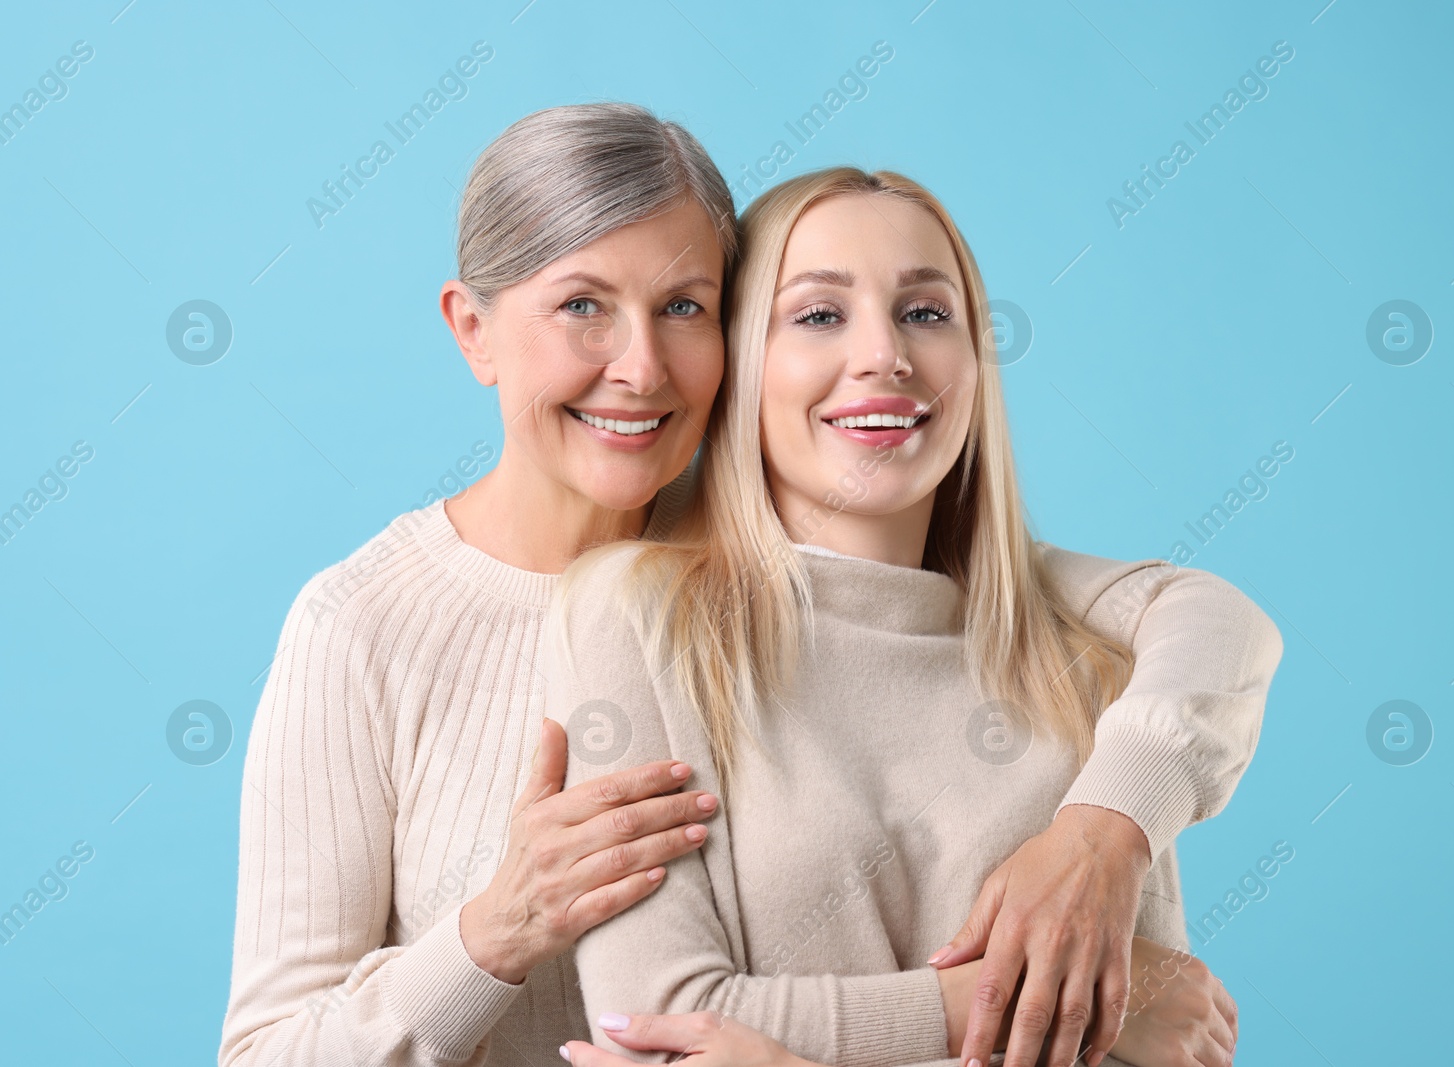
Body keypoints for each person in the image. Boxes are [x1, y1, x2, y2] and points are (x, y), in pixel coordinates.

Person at [220, 102, 1275, 1067]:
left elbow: (1199, 616)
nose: (640, 367)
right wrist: (491, 929)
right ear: (473, 329)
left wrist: (1103, 829)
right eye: (582, 304)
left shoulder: (847, 564)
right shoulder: (370, 626)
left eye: (683, 305)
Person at [544, 167, 1282, 1067]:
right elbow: (653, 1025)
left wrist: (1102, 833)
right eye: (818, 314)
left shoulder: (1085, 674)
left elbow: (1156, 1052)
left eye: (927, 314)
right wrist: (1025, 1003)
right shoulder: (638, 616)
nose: (884, 354)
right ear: (741, 363)